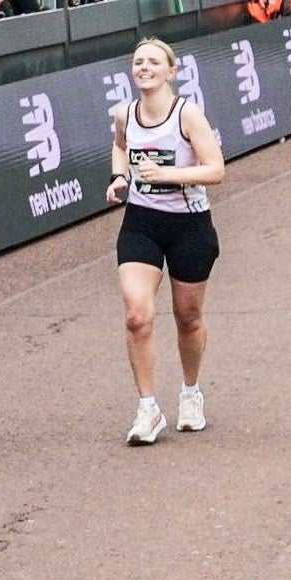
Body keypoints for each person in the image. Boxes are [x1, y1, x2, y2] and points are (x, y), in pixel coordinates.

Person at [106, 38, 226, 446]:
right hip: (141, 222)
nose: (144, 67)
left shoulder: (187, 115)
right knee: (137, 315)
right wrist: (120, 177)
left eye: (154, 62)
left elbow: (216, 170)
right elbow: (120, 147)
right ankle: (148, 408)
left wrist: (167, 175)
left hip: (189, 224)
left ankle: (191, 393)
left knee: (188, 316)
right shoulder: (125, 114)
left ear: (170, 72)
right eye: (138, 61)